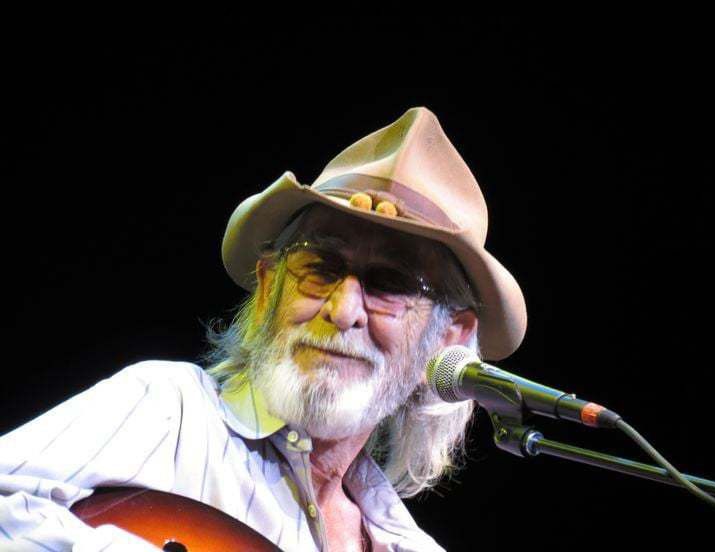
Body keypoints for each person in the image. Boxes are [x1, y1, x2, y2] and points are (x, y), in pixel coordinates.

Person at [0, 107, 527, 551]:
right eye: (319, 266)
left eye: (388, 283)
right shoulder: (170, 410)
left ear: (450, 337)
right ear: (270, 282)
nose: (343, 311)